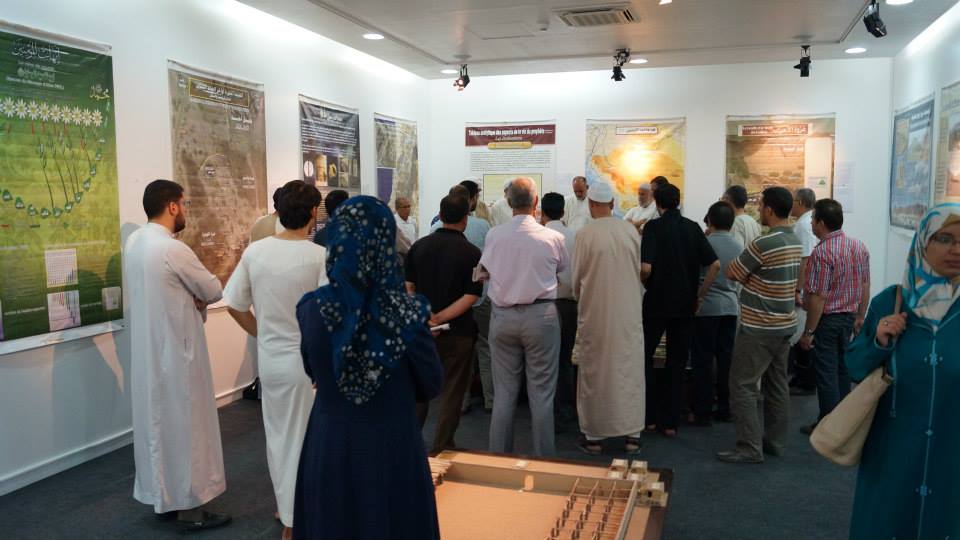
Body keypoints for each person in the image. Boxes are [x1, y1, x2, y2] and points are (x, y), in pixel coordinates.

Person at [293, 196, 443, 540]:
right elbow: (432, 383)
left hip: (330, 442)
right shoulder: (406, 315)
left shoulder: (312, 309)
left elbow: (313, 371)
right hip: (393, 444)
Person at [845, 203, 960, 540]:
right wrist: (879, 341)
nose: (956, 250)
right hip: (894, 447)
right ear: (923, 241)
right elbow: (854, 366)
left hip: (952, 448)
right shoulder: (891, 302)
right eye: (944, 239)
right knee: (888, 521)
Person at [222, 181, 326, 539]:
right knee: (305, 438)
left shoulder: (256, 252)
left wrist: (263, 333)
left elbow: (234, 304)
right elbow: (328, 314)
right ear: (312, 213)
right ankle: (296, 518)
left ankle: (287, 507)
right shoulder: (318, 256)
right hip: (305, 362)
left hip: (271, 360)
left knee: (278, 437)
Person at [124, 179, 230, 530]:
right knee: (188, 429)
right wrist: (197, 297)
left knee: (157, 428)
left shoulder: (134, 243)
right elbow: (212, 289)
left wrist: (192, 296)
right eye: (183, 204)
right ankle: (190, 508)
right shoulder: (173, 249)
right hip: (177, 353)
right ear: (172, 206)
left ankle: (163, 497)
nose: (185, 211)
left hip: (149, 355)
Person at [481, 177, 568, 456]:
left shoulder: (494, 235)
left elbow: (485, 269)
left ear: (508, 202)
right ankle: (544, 460)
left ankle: (498, 459)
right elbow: (562, 268)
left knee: (504, 394)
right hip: (541, 317)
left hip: (503, 317)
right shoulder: (553, 237)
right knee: (542, 394)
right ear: (536, 202)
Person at [717, 187, 802, 464]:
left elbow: (732, 271)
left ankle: (749, 447)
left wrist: (750, 278)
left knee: (742, 384)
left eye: (762, 205)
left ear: (769, 210)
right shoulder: (794, 240)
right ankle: (775, 442)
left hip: (759, 327)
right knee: (777, 386)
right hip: (784, 325)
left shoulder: (765, 243)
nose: (759, 210)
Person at [571, 182, 646, 455]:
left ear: (591, 205)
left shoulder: (585, 234)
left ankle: (594, 437)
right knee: (629, 369)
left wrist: (582, 297)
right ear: (612, 204)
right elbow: (638, 270)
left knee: (595, 371)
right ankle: (632, 435)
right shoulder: (630, 231)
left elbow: (576, 280)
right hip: (628, 313)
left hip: (596, 313)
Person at [641, 184, 720, 437]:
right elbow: (715, 265)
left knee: (645, 358)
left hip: (656, 303)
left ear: (657, 203)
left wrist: (645, 284)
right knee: (676, 362)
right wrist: (700, 295)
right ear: (678, 202)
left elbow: (646, 268)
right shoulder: (693, 227)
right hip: (685, 305)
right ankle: (671, 422)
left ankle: (648, 417)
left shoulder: (653, 228)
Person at [406, 194, 482, 453]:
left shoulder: (419, 247)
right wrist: (440, 318)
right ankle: (442, 446)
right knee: (453, 391)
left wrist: (427, 316)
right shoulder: (472, 253)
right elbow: (471, 296)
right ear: (466, 218)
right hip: (459, 332)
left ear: (440, 215)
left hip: (422, 331)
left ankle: (410, 443)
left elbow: (409, 287)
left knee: (419, 389)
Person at [798, 199, 870, 434]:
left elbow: (818, 297)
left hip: (828, 320)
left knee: (826, 372)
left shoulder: (822, 252)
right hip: (849, 317)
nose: (811, 223)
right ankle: (842, 423)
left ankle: (828, 427)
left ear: (821, 222)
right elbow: (865, 284)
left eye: (812, 219)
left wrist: (809, 332)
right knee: (842, 369)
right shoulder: (858, 246)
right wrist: (861, 315)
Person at [690, 201, 743, 425]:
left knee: (703, 360)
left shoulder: (704, 243)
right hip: (730, 308)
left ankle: (702, 411)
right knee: (725, 360)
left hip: (707, 309)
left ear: (709, 220)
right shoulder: (739, 246)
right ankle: (725, 407)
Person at [540, 192, 577, 427]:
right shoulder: (574, 236)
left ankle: (546, 412)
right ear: (563, 212)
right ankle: (566, 410)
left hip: (544, 306)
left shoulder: (538, 236)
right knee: (565, 359)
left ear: (542, 212)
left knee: (544, 361)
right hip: (570, 305)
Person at [789, 188, 819, 396]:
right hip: (808, 286)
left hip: (806, 287)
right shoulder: (806, 222)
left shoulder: (804, 225)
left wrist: (798, 289)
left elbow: (805, 259)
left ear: (800, 202)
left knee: (803, 333)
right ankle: (801, 377)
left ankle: (806, 381)